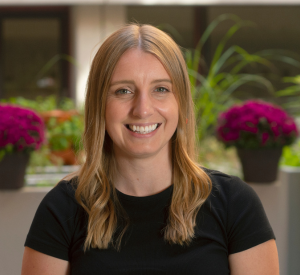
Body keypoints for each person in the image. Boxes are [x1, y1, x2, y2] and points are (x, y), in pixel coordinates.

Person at [21, 24, 279, 275]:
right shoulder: (62, 209)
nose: (142, 109)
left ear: (181, 105)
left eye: (161, 89)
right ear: (99, 105)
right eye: (123, 90)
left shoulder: (235, 204)